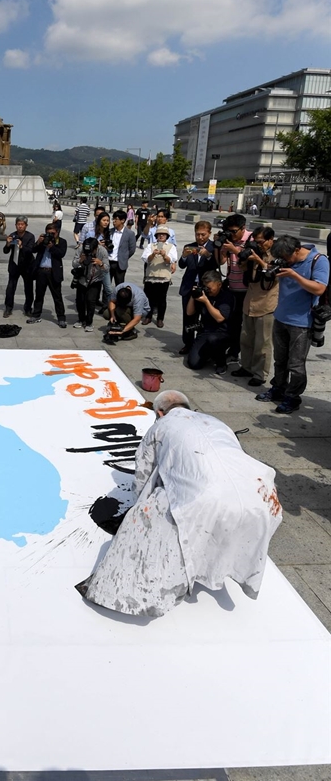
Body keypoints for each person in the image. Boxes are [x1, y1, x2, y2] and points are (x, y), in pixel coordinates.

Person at [76, 390, 282, 618]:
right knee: (218, 515)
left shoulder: (160, 427)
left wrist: (139, 508)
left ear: (160, 413)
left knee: (154, 512)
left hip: (208, 497)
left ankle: (136, 594)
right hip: (262, 494)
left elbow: (143, 475)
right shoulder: (216, 421)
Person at [256, 234, 330, 414]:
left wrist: (295, 275)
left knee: (296, 365)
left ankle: (293, 397)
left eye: (287, 257)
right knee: (280, 360)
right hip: (281, 316)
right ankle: (279, 388)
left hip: (302, 322)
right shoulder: (286, 261)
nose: (285, 261)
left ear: (297, 250)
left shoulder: (318, 261)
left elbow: (320, 288)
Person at [232, 226, 278, 387]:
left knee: (262, 343)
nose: (259, 245)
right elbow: (242, 268)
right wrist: (244, 258)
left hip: (266, 303)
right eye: (256, 242)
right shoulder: (254, 251)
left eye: (261, 242)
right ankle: (246, 366)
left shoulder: (277, 254)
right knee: (246, 338)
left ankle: (260, 374)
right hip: (250, 301)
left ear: (271, 239)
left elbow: (274, 273)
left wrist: (259, 261)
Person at [177, 221, 217, 353]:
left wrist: (208, 255)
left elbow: (216, 265)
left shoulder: (213, 247)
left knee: (205, 316)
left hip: (205, 288)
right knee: (188, 317)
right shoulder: (190, 246)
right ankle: (187, 343)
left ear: (209, 233)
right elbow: (182, 265)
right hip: (189, 286)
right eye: (197, 234)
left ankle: (201, 342)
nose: (200, 237)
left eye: (203, 235)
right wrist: (184, 256)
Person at [215, 213, 251, 361]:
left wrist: (235, 250)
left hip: (247, 290)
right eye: (229, 231)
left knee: (246, 325)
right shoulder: (229, 239)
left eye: (234, 231)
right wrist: (220, 247)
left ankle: (242, 353)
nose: (232, 234)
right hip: (232, 286)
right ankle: (232, 352)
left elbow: (253, 260)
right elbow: (221, 261)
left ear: (243, 228)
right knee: (232, 322)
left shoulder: (252, 239)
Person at [186, 270, 234, 375]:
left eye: (210, 288)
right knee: (194, 364)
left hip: (222, 333)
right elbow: (189, 312)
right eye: (206, 287)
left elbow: (220, 318)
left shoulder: (226, 296)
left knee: (213, 340)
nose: (208, 290)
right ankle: (209, 354)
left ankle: (221, 363)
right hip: (205, 332)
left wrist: (206, 302)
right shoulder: (205, 294)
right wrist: (193, 296)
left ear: (219, 284)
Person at [28, 222, 67, 327]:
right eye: (48, 233)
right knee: (39, 295)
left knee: (57, 296)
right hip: (41, 271)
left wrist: (51, 246)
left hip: (53, 272)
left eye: (52, 233)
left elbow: (61, 254)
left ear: (57, 233)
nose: (50, 235)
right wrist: (38, 242)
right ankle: (36, 315)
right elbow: (32, 250)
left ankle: (61, 318)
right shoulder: (43, 241)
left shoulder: (61, 242)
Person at [71, 237, 109, 332]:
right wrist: (80, 260)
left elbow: (107, 268)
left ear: (96, 248)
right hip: (82, 279)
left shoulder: (102, 251)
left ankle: (89, 322)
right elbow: (73, 263)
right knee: (80, 301)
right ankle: (81, 319)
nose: (89, 253)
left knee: (91, 301)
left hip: (95, 279)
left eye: (91, 251)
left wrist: (100, 263)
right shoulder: (80, 249)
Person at [141, 228, 177, 328]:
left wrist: (164, 255)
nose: (161, 236)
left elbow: (171, 260)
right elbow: (145, 258)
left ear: (167, 236)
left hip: (164, 276)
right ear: (156, 236)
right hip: (151, 275)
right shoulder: (150, 246)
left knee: (162, 298)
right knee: (149, 297)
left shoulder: (171, 247)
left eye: (164, 235)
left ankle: (160, 318)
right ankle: (148, 316)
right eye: (159, 234)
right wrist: (153, 254)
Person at [2, 215, 35, 318]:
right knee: (10, 287)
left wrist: (21, 246)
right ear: (15, 225)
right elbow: (5, 251)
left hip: (27, 266)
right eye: (18, 224)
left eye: (22, 224)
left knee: (28, 288)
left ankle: (28, 308)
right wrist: (7, 244)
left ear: (26, 225)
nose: (20, 226)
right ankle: (8, 308)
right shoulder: (12, 235)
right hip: (14, 265)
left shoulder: (30, 236)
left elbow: (31, 250)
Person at [108, 210, 137, 285]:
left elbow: (132, 249)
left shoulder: (130, 234)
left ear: (122, 220)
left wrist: (124, 257)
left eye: (116, 219)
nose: (113, 221)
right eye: (113, 219)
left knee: (120, 285)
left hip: (120, 264)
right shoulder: (109, 231)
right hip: (108, 262)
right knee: (107, 287)